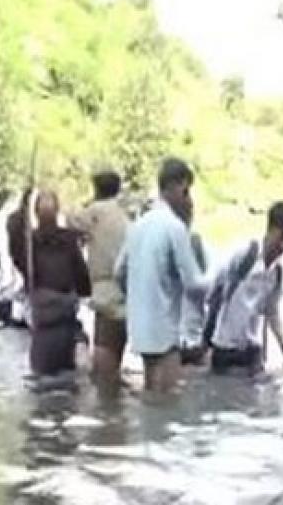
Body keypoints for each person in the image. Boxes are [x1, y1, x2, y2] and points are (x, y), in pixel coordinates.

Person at [114, 158, 209, 393]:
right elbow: (194, 283)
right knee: (167, 402)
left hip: (140, 329)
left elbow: (118, 272)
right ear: (175, 187)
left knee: (150, 394)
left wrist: (137, 296)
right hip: (165, 331)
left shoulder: (138, 225)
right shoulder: (174, 227)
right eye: (186, 190)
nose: (188, 197)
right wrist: (222, 276)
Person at [8, 189, 92, 377]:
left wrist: (22, 204)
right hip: (66, 329)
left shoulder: (29, 248)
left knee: (42, 390)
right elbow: (84, 283)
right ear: (57, 212)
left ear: (36, 214)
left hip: (44, 331)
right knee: (69, 392)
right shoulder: (68, 241)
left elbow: (14, 239)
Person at [207, 202, 283, 375]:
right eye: (281, 237)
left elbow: (272, 312)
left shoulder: (276, 272)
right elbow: (215, 289)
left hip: (251, 349)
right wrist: (206, 338)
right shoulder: (246, 254)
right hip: (225, 346)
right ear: (270, 230)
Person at [68, 167, 130, 384]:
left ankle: (107, 409)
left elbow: (69, 221)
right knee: (116, 350)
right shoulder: (123, 215)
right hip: (126, 291)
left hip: (105, 289)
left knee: (103, 371)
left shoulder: (95, 212)